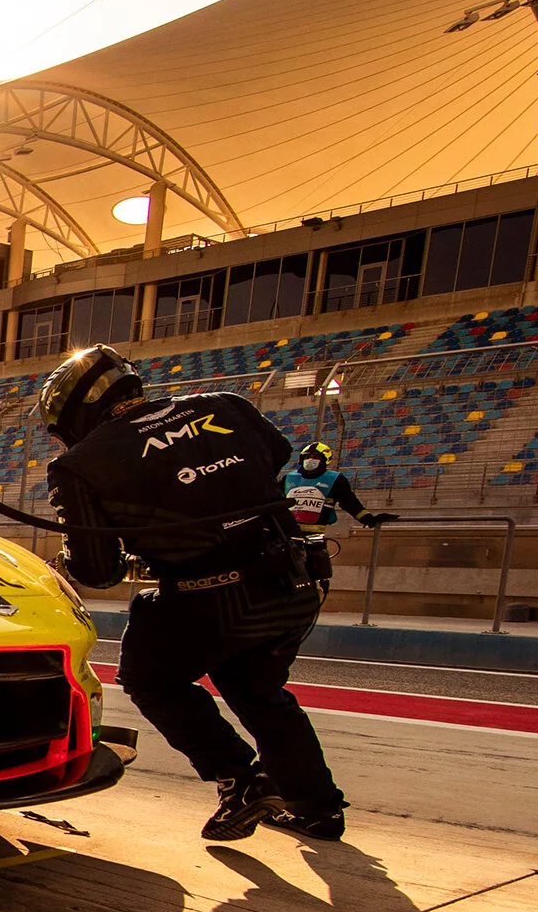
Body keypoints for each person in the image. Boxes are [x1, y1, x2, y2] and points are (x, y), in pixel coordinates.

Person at [38, 344, 349, 844]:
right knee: (261, 693)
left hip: (209, 598)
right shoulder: (226, 403)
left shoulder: (80, 462)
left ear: (75, 410)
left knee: (149, 678)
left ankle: (238, 778)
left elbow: (97, 572)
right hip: (292, 582)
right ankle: (318, 810)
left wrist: (71, 559)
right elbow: (277, 458)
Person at [282, 440, 393, 587]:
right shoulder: (288, 478)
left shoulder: (335, 480)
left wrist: (368, 519)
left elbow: (350, 502)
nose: (310, 460)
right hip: (286, 535)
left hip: (314, 538)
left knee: (315, 572)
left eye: (316, 457)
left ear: (325, 460)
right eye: (308, 457)